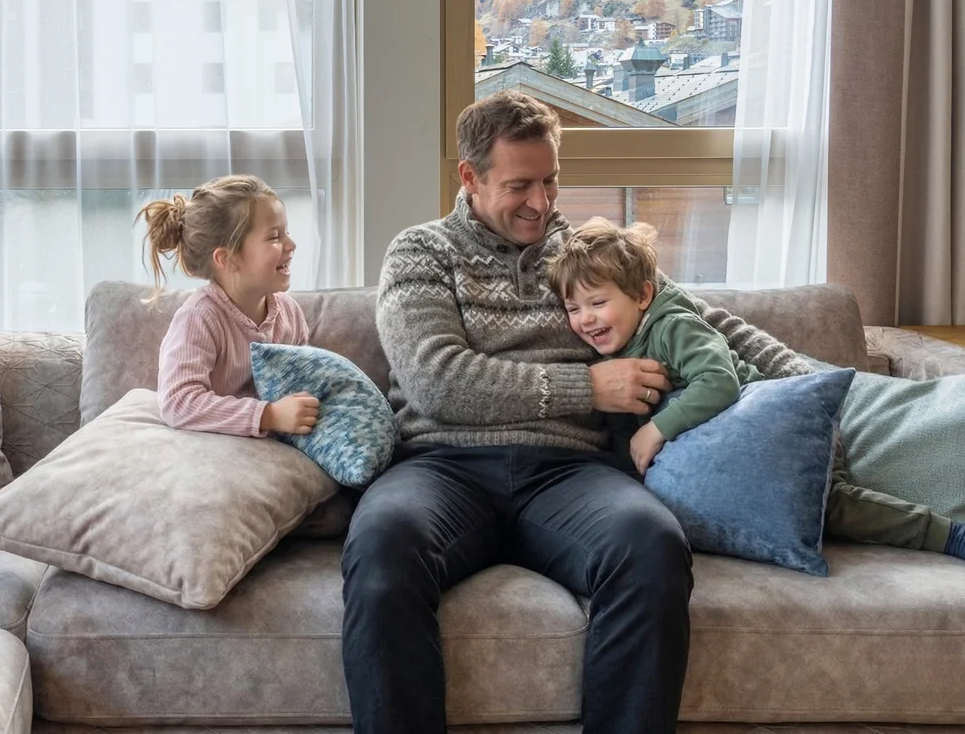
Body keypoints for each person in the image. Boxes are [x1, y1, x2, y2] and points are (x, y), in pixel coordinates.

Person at [341, 90, 813, 734]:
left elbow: (706, 326)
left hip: (569, 472)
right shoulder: (421, 253)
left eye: (551, 180)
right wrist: (589, 388)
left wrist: (827, 384)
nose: (542, 203)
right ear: (470, 177)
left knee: (650, 545)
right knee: (381, 546)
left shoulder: (586, 249)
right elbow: (437, 381)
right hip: (441, 467)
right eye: (520, 185)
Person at [548, 217, 965, 560]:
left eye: (597, 303)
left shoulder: (674, 326)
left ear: (643, 295)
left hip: (779, 433)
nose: (585, 319)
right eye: (573, 308)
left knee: (838, 508)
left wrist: (655, 430)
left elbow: (719, 381)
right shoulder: (611, 350)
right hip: (731, 454)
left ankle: (946, 535)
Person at [139, 174, 320, 439]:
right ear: (227, 259)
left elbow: (304, 380)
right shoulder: (199, 317)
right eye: (274, 237)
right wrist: (268, 415)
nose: (291, 245)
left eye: (287, 232)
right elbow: (178, 402)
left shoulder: (289, 313)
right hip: (212, 451)